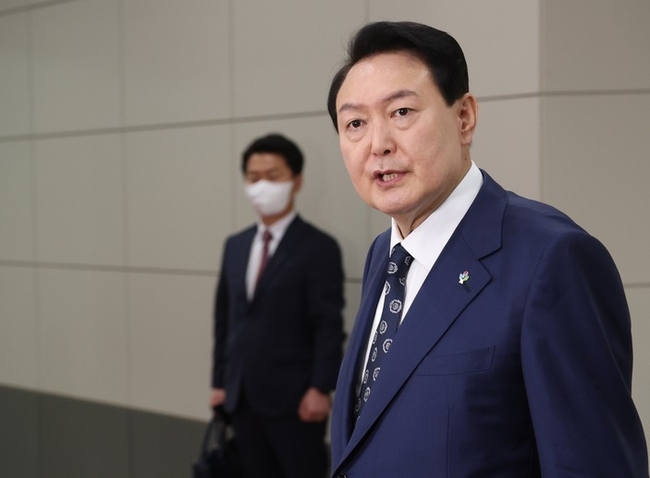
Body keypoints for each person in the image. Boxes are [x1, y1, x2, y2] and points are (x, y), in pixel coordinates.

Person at [326, 21, 648, 477]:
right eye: (355, 123)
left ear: (464, 118)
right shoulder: (386, 255)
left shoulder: (552, 258)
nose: (378, 144)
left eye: (401, 112)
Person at [210, 133, 346, 478]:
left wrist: (320, 388)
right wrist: (220, 382)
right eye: (253, 178)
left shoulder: (318, 247)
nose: (262, 186)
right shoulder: (235, 245)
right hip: (241, 397)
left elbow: (328, 325)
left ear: (296, 181)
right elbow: (225, 320)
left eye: (273, 176)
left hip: (295, 399)